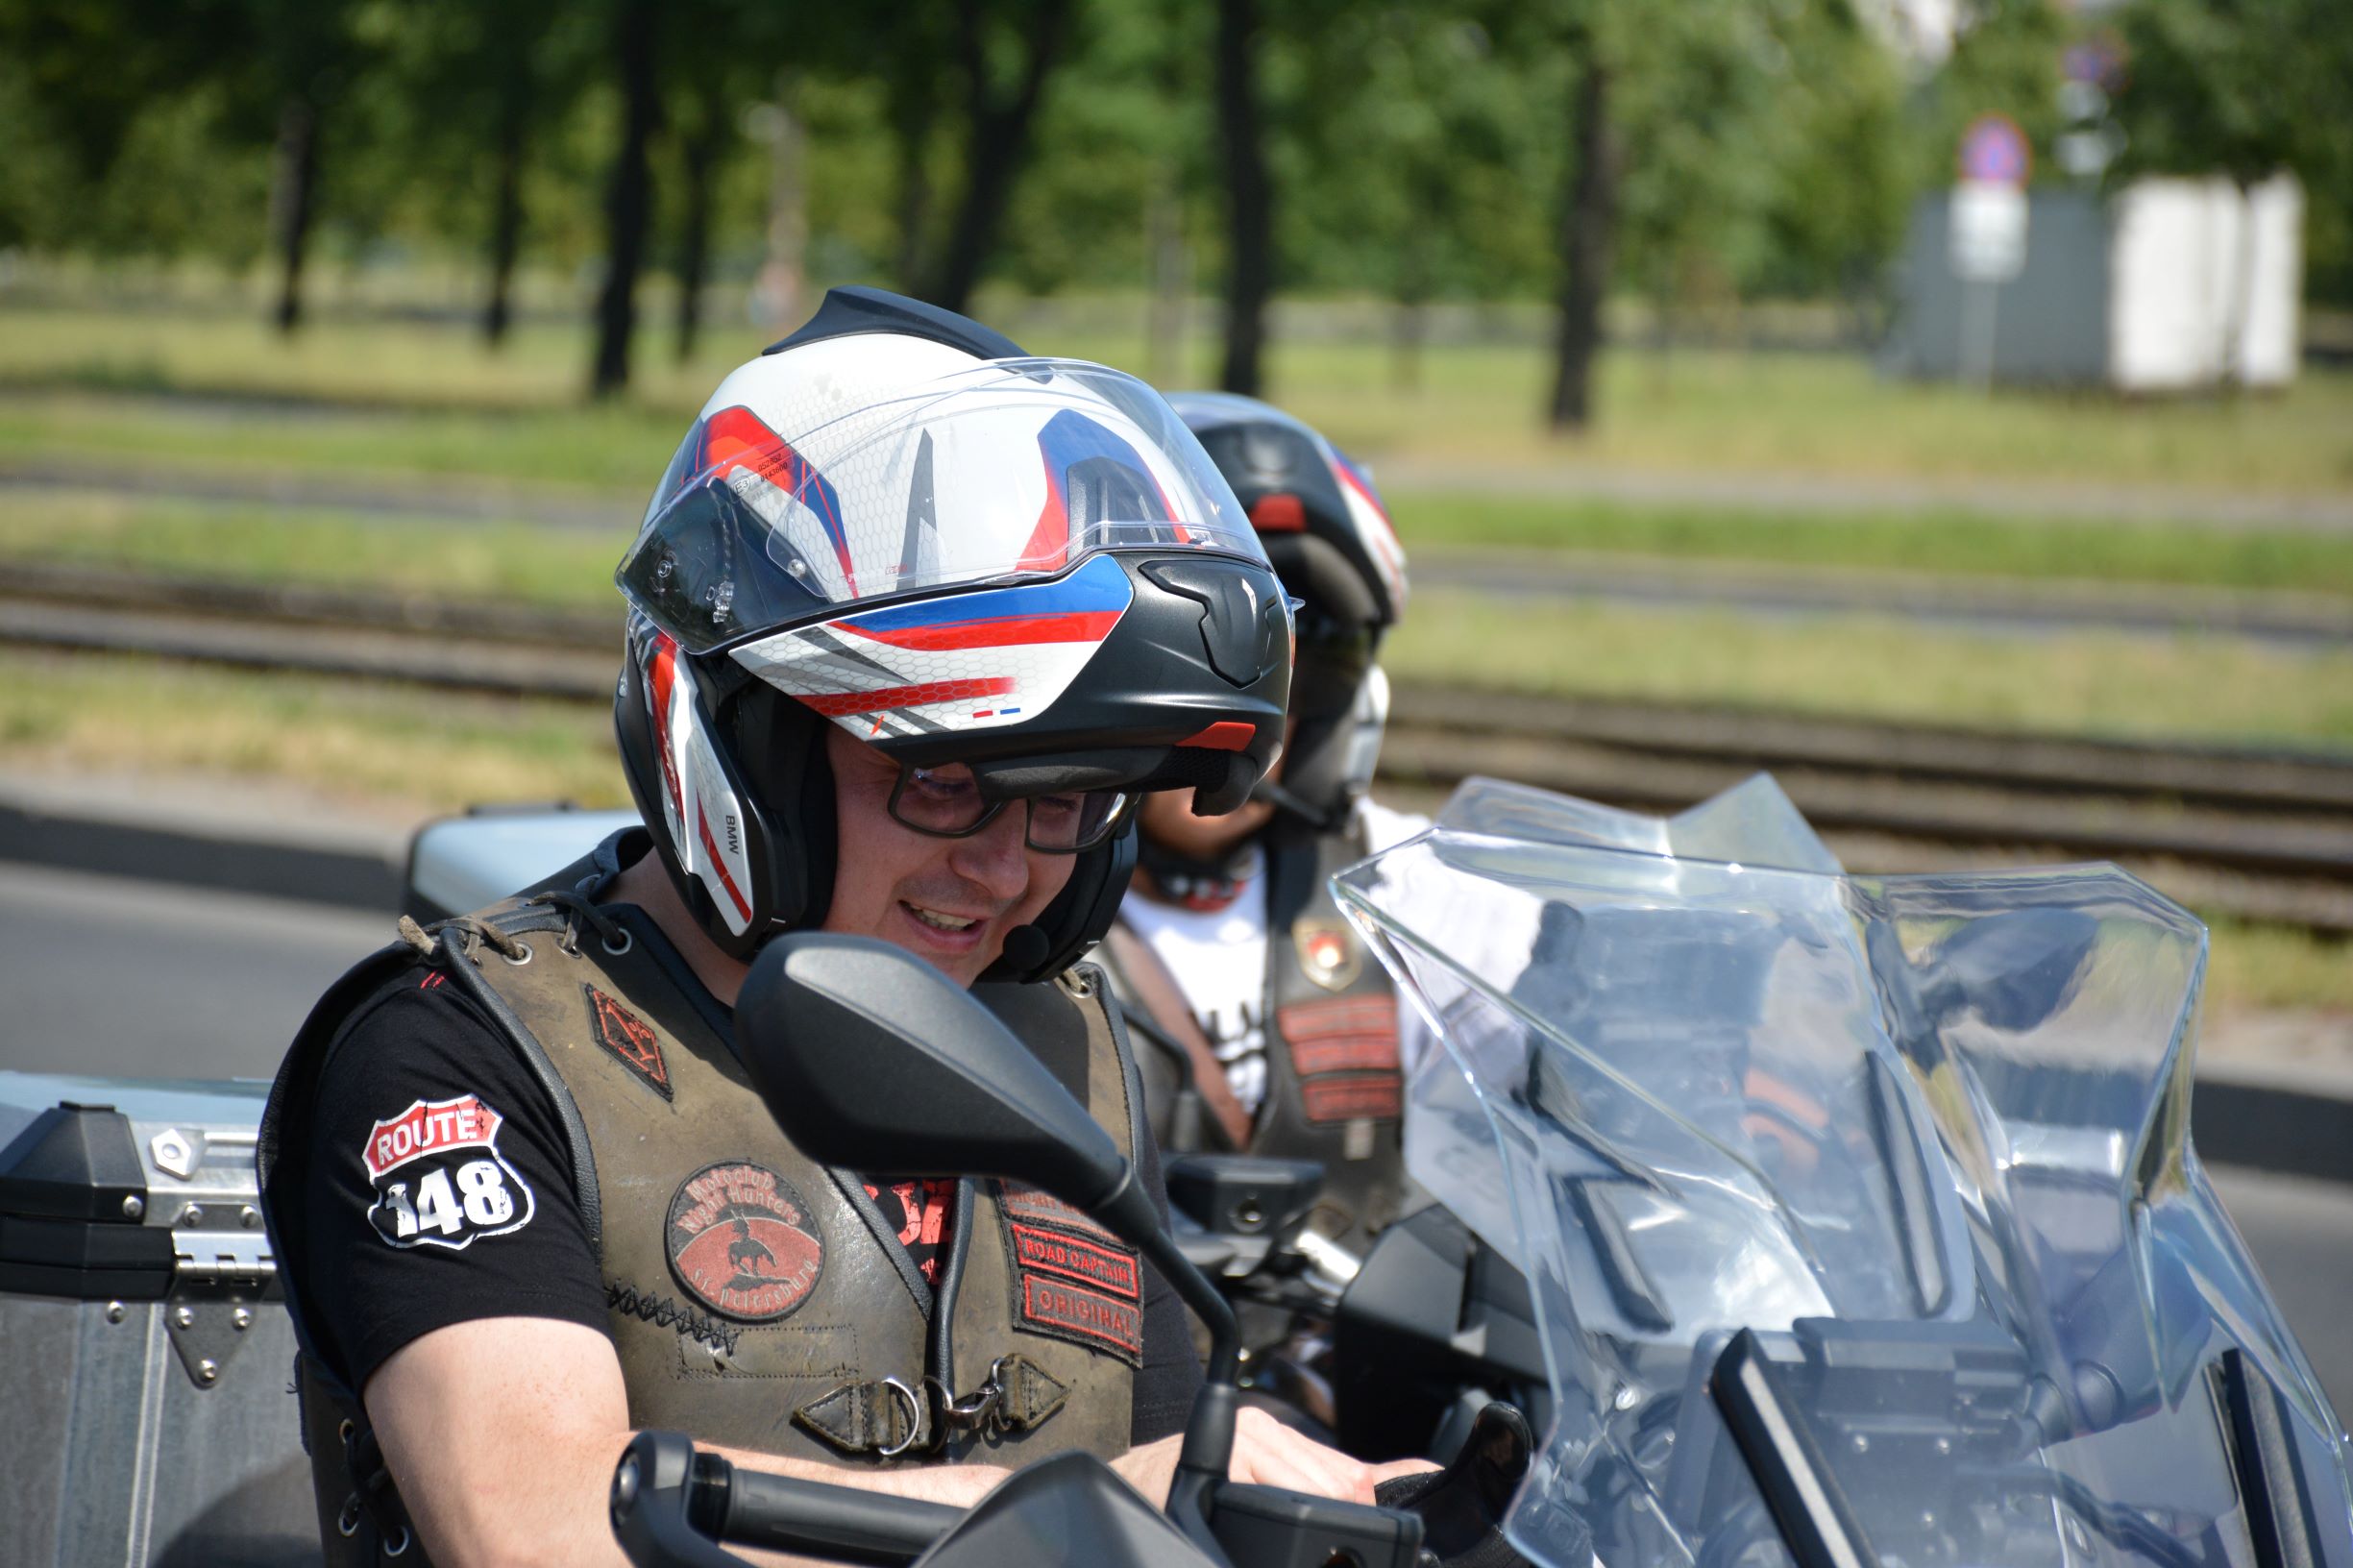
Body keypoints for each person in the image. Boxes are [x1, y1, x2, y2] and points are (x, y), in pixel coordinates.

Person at [257, 289, 1428, 1568]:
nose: (1004, 871)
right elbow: (539, 1529)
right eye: (945, 781)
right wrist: (1099, 1503)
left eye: (1068, 802)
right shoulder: (460, 1060)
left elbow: (1172, 1483)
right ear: (754, 746)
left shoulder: (1070, 1048)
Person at [1095, 393, 1423, 1268]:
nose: (1245, 728)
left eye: (1289, 680)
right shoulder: (998, 897)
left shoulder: (1401, 892)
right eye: (1203, 670)